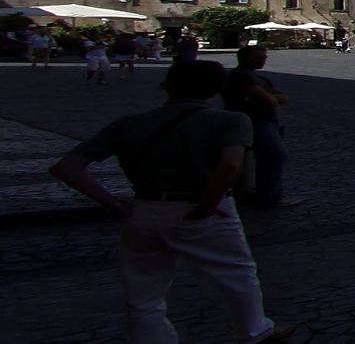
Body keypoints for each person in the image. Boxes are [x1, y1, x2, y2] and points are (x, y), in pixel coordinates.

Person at [47, 60, 296, 343]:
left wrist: (112, 203)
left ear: (167, 87)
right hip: (205, 209)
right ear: (217, 90)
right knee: (235, 273)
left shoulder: (129, 124)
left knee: (143, 292)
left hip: (145, 209)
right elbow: (229, 166)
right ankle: (255, 331)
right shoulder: (231, 120)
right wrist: (206, 204)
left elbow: (66, 167)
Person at [222, 47, 295, 209]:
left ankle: (259, 191)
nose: (263, 60)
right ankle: (269, 196)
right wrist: (273, 98)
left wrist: (274, 97)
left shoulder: (256, 76)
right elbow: (270, 100)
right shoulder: (241, 76)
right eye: (258, 57)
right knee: (275, 155)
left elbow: (281, 97)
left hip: (266, 121)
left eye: (264, 57)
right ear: (243, 58)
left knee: (268, 157)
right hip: (254, 122)